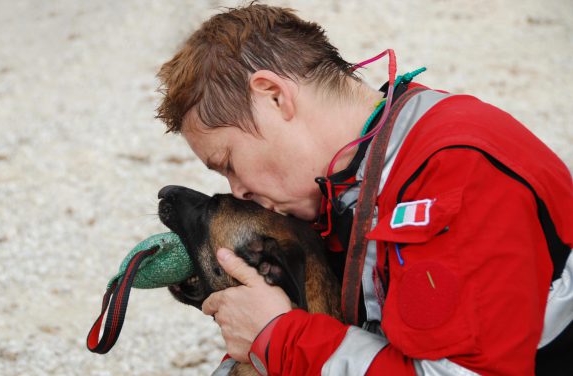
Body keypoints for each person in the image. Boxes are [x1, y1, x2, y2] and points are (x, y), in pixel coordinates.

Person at [156, 4, 573, 376]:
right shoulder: (362, 168)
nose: (239, 190)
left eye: (228, 162)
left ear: (273, 96)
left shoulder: (459, 174)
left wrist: (279, 338)